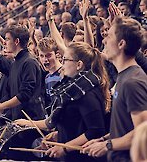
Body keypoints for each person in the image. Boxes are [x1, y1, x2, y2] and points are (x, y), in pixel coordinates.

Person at [16, 42, 111, 162]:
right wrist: (59, 134)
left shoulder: (86, 92)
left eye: (65, 59)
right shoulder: (74, 89)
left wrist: (65, 149)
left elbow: (95, 130)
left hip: (82, 157)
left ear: (79, 65)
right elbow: (77, 123)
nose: (62, 64)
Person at [82, 17, 147, 162]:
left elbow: (142, 133)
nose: (104, 41)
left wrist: (108, 145)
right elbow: (126, 126)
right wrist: (103, 139)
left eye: (109, 36)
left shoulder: (132, 82)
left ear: (121, 44)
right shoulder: (124, 77)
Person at [0, 25, 46, 120]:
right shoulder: (16, 62)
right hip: (17, 119)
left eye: (8, 39)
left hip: (30, 120)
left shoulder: (29, 62)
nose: (4, 42)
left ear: (16, 41)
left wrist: (1, 106)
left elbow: (24, 94)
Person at [37, 37, 63, 115]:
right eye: (42, 56)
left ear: (57, 54)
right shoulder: (47, 77)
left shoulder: (64, 75)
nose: (45, 60)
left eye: (48, 55)